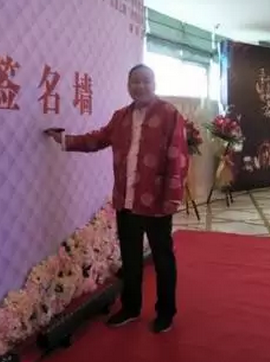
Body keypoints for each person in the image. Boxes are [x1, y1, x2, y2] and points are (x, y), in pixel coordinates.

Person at [44, 64, 188, 334]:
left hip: (157, 203)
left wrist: (172, 197)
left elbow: (177, 157)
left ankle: (166, 312)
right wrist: (64, 140)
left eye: (145, 81)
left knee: (163, 259)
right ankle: (131, 308)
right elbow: (97, 139)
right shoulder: (121, 117)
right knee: (130, 258)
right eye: (135, 82)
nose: (140, 86)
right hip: (126, 201)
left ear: (154, 83)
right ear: (128, 85)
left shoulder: (169, 114)